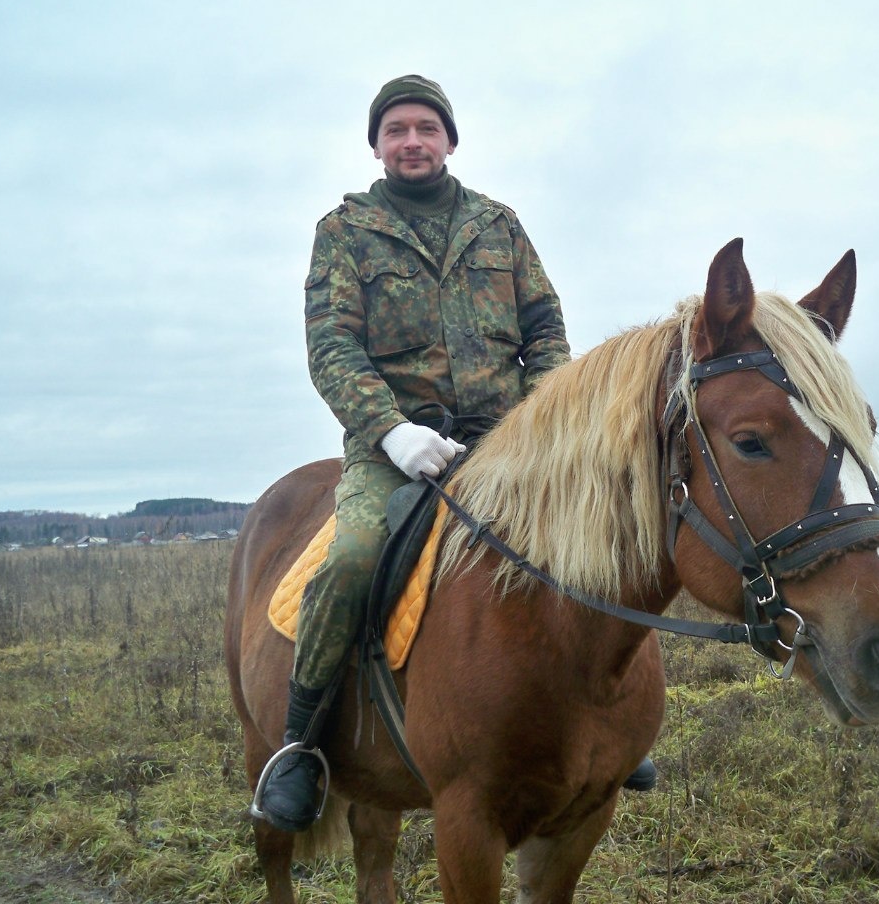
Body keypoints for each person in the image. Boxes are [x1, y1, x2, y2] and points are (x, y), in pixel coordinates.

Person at [254, 75, 656, 833]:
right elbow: (332, 346)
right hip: (393, 446)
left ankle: (603, 726)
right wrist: (392, 431)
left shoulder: (498, 226)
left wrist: (543, 420)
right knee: (350, 560)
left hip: (507, 441)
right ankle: (302, 744)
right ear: (377, 145)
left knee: (599, 540)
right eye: (396, 129)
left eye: (426, 128)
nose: (412, 140)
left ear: (449, 140)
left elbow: (544, 327)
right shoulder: (346, 230)